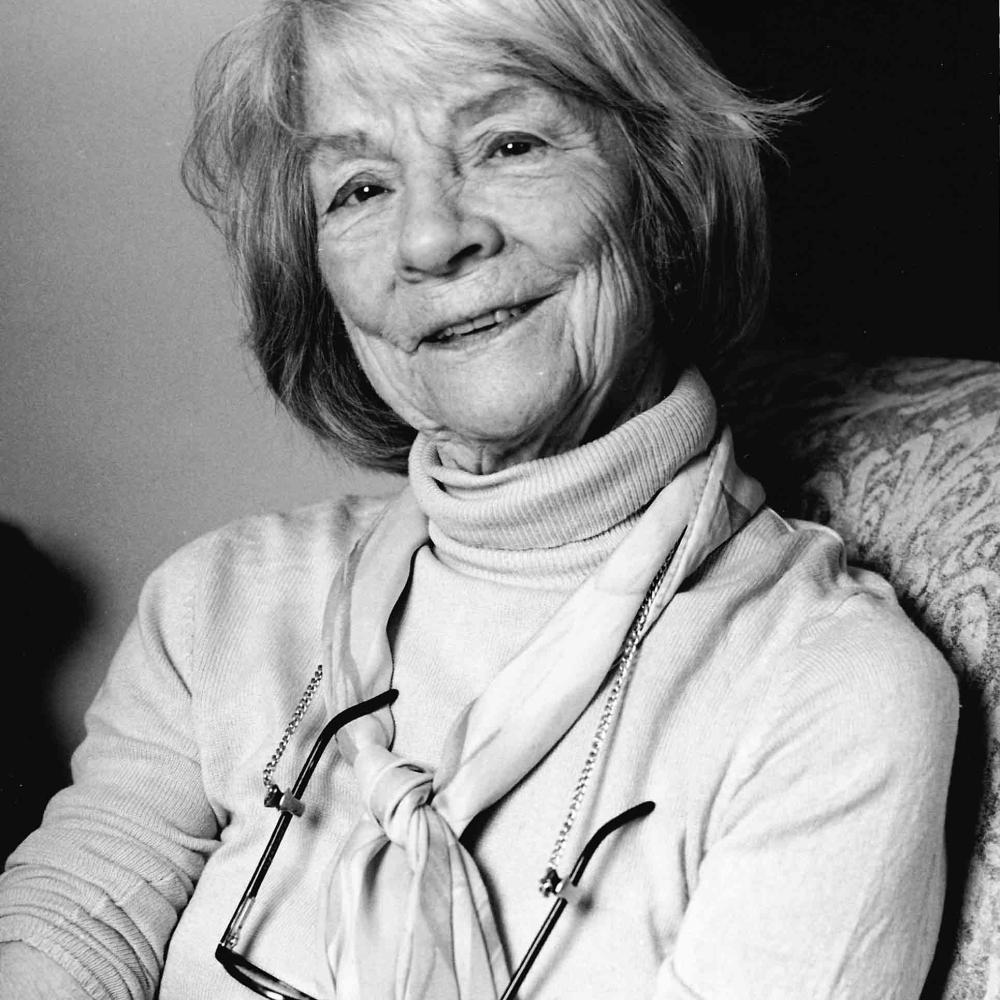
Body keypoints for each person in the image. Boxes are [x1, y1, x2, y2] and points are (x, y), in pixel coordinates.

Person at [0, 0, 958, 997]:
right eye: (360, 186)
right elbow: (69, 928)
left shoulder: (828, 689)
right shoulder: (217, 604)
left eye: (508, 143)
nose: (429, 236)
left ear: (663, 193)